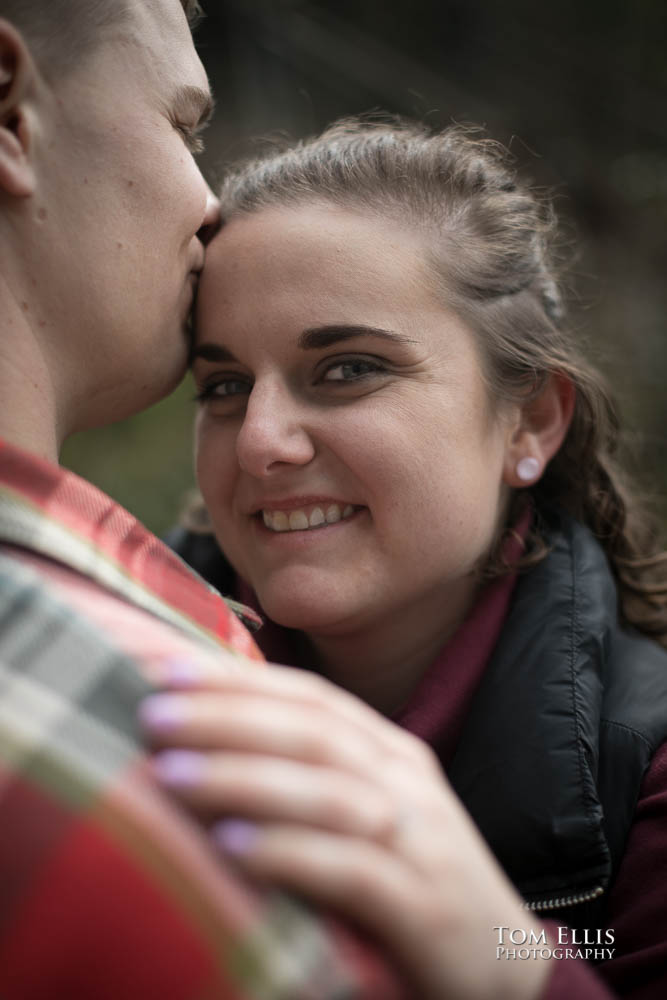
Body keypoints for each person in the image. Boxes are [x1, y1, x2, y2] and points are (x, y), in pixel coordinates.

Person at [153, 119, 667, 999]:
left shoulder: (646, 775)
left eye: (347, 369)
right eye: (226, 387)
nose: (261, 444)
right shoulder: (114, 670)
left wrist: (503, 949)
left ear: (530, 421)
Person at [0, 6, 408, 998]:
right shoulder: (148, 741)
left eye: (347, 369)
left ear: (534, 418)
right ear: (8, 113)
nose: (209, 202)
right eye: (185, 127)